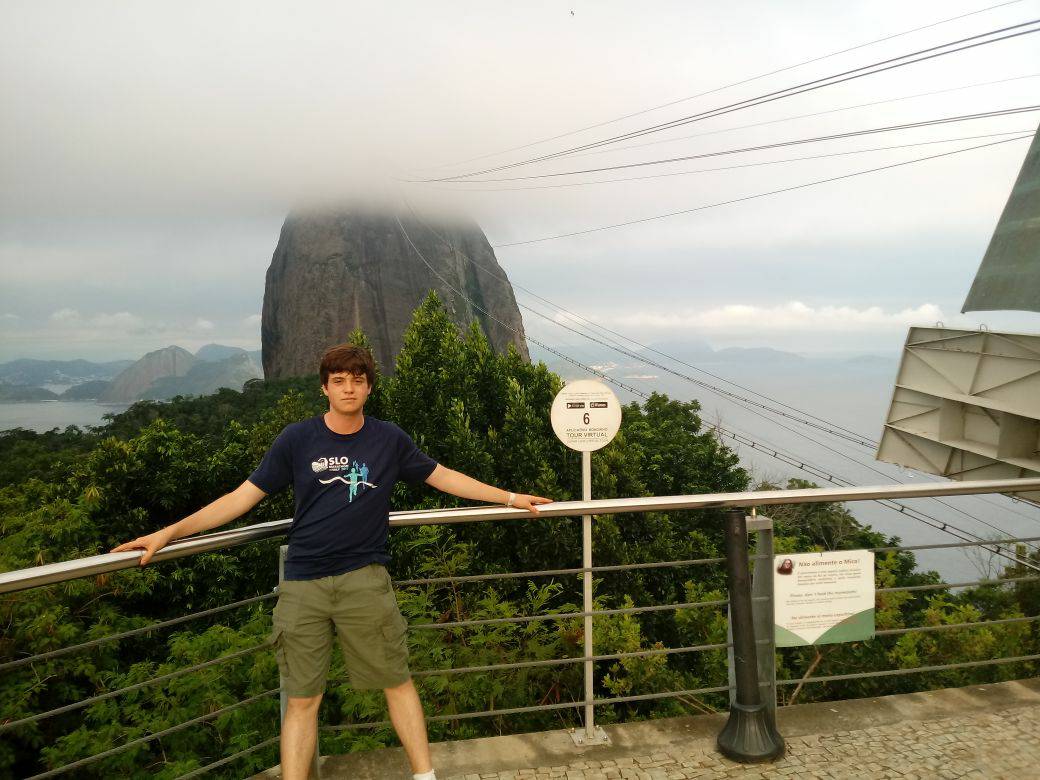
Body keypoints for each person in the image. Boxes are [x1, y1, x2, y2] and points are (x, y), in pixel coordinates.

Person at [112, 344, 553, 780]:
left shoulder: (388, 438)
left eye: (357, 381)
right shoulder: (297, 438)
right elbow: (240, 499)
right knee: (303, 699)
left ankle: (424, 776)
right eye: (338, 381)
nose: (348, 389)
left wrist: (511, 497)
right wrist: (168, 533)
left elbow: (444, 477)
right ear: (324, 387)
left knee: (396, 680)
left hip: (364, 577)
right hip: (303, 583)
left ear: (369, 388)